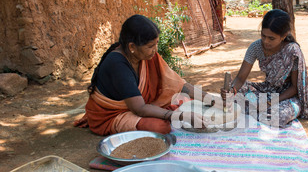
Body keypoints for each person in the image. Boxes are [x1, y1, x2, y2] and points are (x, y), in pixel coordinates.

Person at [74, 14, 211, 136]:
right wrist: (179, 116)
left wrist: (209, 99)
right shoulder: (117, 64)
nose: (155, 50)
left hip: (139, 105)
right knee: (160, 127)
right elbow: (139, 108)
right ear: (132, 47)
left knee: (186, 100)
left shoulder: (147, 57)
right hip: (112, 115)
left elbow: (178, 85)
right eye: (150, 46)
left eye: (156, 44)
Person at [221, 9, 308, 127]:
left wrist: (270, 103)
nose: (265, 41)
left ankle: (259, 111)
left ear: (283, 36)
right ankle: (258, 110)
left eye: (271, 38)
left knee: (277, 116)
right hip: (267, 91)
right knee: (239, 92)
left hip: (286, 97)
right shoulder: (256, 47)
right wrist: (231, 91)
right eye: (263, 36)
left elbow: (295, 88)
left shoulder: (292, 51)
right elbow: (240, 78)